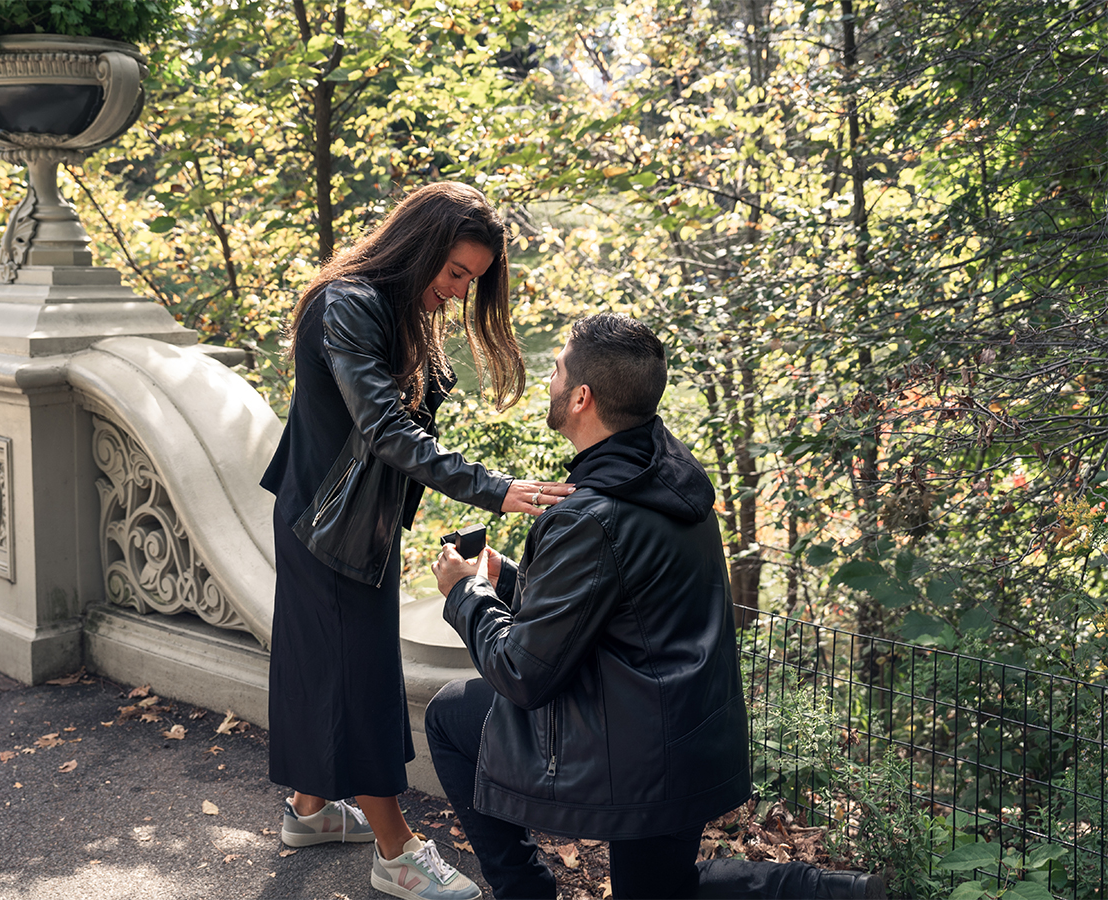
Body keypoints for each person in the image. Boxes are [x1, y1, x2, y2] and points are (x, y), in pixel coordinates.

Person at [426, 314, 887, 900]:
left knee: (449, 716)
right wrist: (503, 576)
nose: (549, 378)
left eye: (556, 369)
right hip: (689, 730)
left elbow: (522, 672)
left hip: (633, 747)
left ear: (581, 398)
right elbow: (610, 609)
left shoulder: (591, 515)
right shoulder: (666, 475)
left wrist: (465, 591)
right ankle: (846, 893)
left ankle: (524, 892)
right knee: (665, 891)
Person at [260, 181, 573, 900]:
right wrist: (496, 488)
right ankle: (396, 852)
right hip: (325, 526)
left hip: (347, 521)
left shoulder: (397, 310)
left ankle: (310, 812)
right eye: (456, 272)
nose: (459, 291)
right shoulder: (348, 304)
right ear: (421, 245)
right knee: (358, 679)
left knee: (329, 668)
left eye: (472, 279)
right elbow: (386, 430)